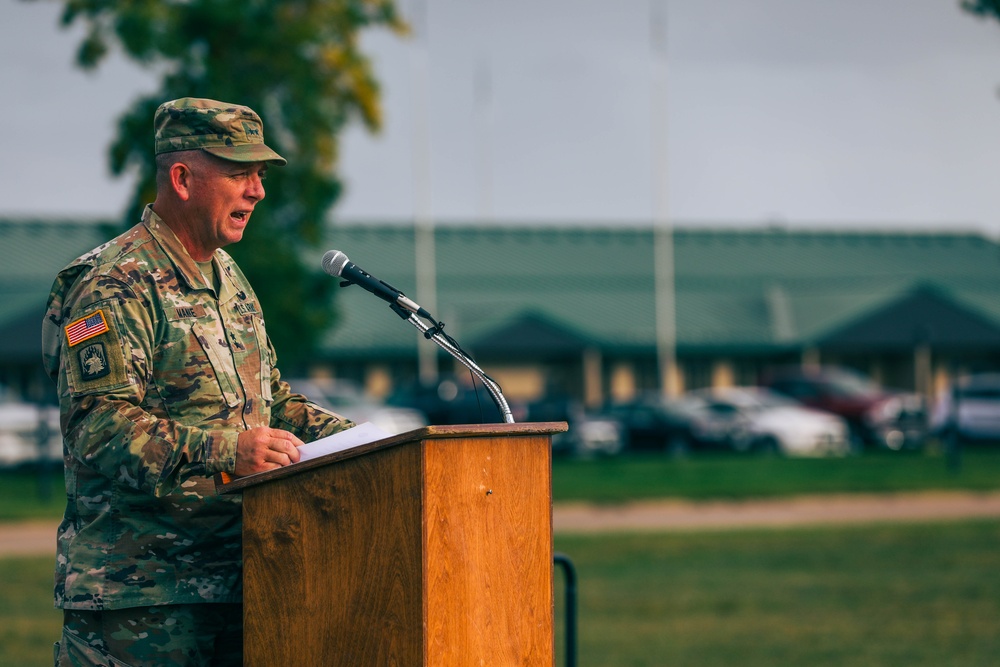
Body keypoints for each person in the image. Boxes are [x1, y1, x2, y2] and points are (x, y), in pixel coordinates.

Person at [41, 97, 356, 666]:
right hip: (142, 600)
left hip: (244, 582)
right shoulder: (113, 283)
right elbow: (98, 425)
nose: (257, 191)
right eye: (240, 174)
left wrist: (362, 441)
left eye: (259, 176)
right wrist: (229, 450)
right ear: (183, 179)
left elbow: (269, 404)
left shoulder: (230, 278)